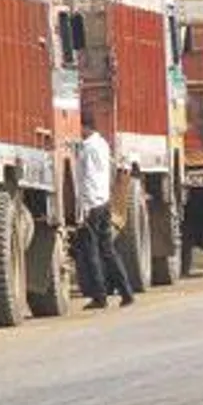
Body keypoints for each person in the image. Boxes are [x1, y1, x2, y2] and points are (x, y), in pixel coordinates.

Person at [77, 108, 135, 309]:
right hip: (104, 201)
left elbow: (86, 179)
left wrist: (84, 207)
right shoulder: (102, 144)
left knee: (91, 252)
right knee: (108, 250)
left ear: (84, 126)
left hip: (92, 204)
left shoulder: (87, 149)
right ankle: (126, 292)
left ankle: (99, 296)